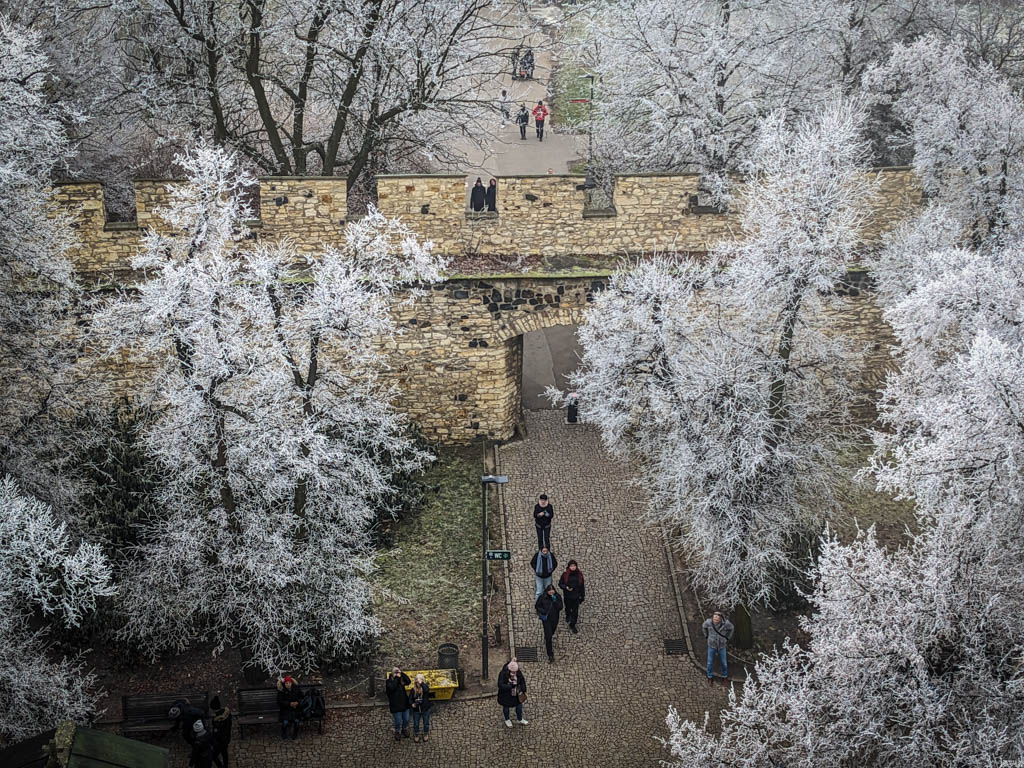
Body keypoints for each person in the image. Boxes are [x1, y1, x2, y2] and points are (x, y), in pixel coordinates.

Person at [702, 611, 734, 683]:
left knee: (724, 663)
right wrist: (707, 636)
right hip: (712, 645)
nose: (715, 621)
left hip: (722, 645)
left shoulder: (726, 624)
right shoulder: (708, 622)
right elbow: (704, 627)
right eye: (714, 619)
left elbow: (732, 628)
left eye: (716, 620)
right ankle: (709, 676)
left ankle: (724, 676)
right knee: (710, 662)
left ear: (720, 619)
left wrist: (727, 638)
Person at [535, 582, 562, 662]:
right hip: (546, 620)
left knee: (552, 631)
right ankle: (550, 654)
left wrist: (555, 601)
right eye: (549, 591)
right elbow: (537, 606)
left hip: (554, 619)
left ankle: (548, 637)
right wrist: (543, 612)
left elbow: (560, 607)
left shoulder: (557, 597)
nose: (551, 592)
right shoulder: (542, 597)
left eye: (552, 590)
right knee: (548, 636)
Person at [497, 659, 528, 727]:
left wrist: (523, 688)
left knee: (519, 706)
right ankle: (507, 719)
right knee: (506, 707)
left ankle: (520, 718)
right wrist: (510, 686)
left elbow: (522, 680)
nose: (514, 673)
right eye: (513, 672)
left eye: (515, 672)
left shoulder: (518, 672)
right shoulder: (503, 673)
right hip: (505, 695)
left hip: (516, 694)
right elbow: (500, 685)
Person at [558, 559, 586, 633]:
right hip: (567, 596)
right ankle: (568, 615)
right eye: (571, 566)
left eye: (574, 566)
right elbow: (560, 584)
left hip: (576, 596)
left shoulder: (579, 575)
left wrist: (582, 596)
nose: (573, 567)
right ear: (569, 567)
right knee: (568, 608)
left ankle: (573, 625)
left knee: (575, 612)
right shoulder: (565, 575)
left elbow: (582, 586)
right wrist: (566, 587)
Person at [386, 666, 412, 740]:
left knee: (406, 719)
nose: (397, 674)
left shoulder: (400, 680)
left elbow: (408, 681)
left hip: (404, 704)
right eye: (395, 672)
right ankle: (397, 731)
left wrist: (402, 673)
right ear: (392, 674)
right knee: (398, 720)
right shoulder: (388, 682)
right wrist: (397, 678)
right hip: (396, 706)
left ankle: (404, 729)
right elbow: (392, 688)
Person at [277, 675, 304, 740]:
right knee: (285, 722)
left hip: (296, 709)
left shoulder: (296, 689)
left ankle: (295, 733)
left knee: (297, 721)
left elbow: (302, 697)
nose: (288, 684)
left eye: (289, 683)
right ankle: (284, 732)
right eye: (286, 683)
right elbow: (279, 702)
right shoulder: (282, 691)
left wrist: (298, 703)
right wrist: (289, 704)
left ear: (291, 683)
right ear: (284, 684)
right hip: (286, 710)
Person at [408, 673, 432, 743]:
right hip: (416, 710)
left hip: (425, 709)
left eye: (419, 681)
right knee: (416, 723)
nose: (418, 682)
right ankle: (416, 735)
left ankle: (425, 734)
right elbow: (410, 699)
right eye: (417, 681)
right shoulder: (413, 690)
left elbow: (427, 690)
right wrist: (412, 704)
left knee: (426, 723)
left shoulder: (425, 688)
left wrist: (421, 683)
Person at [209, 696, 232, 768]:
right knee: (224, 753)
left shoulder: (217, 720)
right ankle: (225, 766)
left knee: (213, 756)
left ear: (213, 709)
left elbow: (216, 734)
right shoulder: (227, 713)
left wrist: (213, 742)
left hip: (220, 741)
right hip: (227, 738)